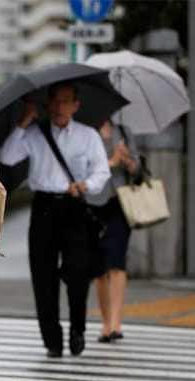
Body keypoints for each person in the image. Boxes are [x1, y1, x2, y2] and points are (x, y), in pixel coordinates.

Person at [0, 81, 110, 358]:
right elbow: (7, 156)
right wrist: (24, 122)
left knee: (77, 271)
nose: (60, 107)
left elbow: (102, 171)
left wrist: (85, 185)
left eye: (66, 101)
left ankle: (77, 329)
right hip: (44, 208)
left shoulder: (88, 136)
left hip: (74, 207)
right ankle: (52, 340)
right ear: (47, 105)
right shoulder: (35, 133)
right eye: (55, 102)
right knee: (43, 274)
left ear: (76, 105)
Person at [87, 120, 140, 343]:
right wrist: (111, 162)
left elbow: (137, 169)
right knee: (99, 269)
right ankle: (106, 323)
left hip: (120, 202)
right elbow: (81, 170)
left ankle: (116, 324)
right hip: (93, 205)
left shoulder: (124, 130)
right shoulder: (86, 133)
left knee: (117, 263)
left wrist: (127, 160)